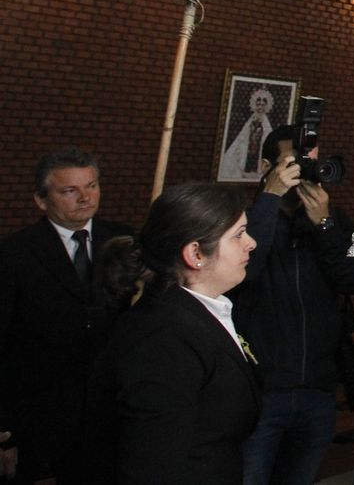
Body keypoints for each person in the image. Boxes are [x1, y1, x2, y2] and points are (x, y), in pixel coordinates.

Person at [86, 182, 262, 484]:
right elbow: (153, 465)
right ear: (195, 253)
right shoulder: (163, 337)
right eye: (238, 235)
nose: (252, 243)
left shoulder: (199, 312)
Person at [233, 126, 354, 485]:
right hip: (262, 391)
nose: (305, 172)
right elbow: (243, 274)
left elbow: (353, 279)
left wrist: (324, 225)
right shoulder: (242, 221)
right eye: (295, 163)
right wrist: (269, 199)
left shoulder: (335, 222)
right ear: (267, 166)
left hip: (317, 390)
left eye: (312, 162)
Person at [0, 150, 135, 484]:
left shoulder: (123, 243)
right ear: (41, 200)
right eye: (69, 191)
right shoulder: (14, 254)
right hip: (39, 417)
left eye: (91, 186)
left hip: (108, 417)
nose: (85, 197)